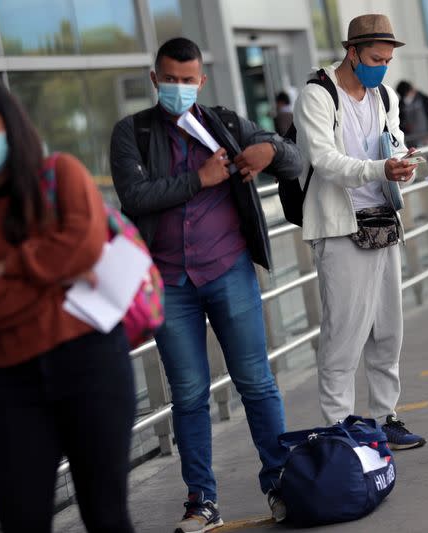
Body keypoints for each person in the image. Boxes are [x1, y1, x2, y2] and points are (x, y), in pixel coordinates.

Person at [109, 37, 302, 532]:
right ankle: (201, 500)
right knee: (189, 393)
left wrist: (267, 148)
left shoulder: (225, 123)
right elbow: (134, 196)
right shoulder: (133, 133)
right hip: (169, 282)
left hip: (228, 269)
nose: (178, 88)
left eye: (187, 79)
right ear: (155, 80)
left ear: (201, 79)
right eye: (169, 79)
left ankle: (280, 483)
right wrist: (200, 178)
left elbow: (294, 161)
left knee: (256, 382)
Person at [0, 81, 135, 532]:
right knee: (21, 520)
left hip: (92, 367)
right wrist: (52, 274)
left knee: (106, 516)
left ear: (10, 126)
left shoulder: (61, 173)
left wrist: (5, 266)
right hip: (15, 382)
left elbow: (83, 248)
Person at [293, 14, 426, 450]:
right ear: (352, 52)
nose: (382, 67)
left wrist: (403, 160)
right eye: (375, 58)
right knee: (344, 331)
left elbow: (393, 140)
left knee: (389, 328)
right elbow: (323, 159)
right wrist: (378, 167)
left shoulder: (384, 94)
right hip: (340, 226)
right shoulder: (318, 94)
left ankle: (386, 416)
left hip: (383, 218)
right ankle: (340, 425)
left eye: (387, 60)